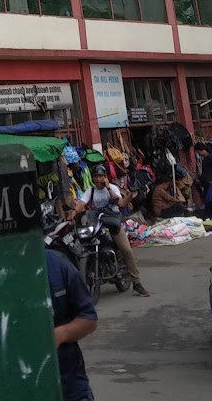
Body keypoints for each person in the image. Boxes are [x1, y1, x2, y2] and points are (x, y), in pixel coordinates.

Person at [72, 163, 150, 296]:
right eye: (96, 176)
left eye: (101, 176)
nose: (99, 179)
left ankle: (136, 282)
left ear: (106, 177)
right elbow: (81, 203)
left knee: (126, 250)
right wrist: (73, 212)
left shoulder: (112, 187)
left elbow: (120, 203)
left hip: (113, 223)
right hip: (97, 224)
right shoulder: (90, 191)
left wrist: (108, 187)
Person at [48, 247, 99, 401]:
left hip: (70, 387)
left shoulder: (57, 265)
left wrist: (61, 334)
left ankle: (135, 279)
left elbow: (89, 318)